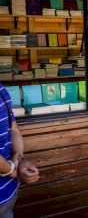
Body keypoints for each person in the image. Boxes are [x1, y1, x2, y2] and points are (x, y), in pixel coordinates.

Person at [0, 83, 39, 217]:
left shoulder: (1, 89)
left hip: (7, 193)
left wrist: (19, 159)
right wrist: (10, 168)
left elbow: (13, 129)